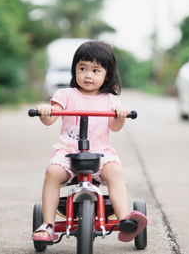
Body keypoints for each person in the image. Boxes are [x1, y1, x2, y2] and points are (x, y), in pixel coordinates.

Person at [32, 40, 147, 243]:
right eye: (82, 68)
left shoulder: (110, 99)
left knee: (115, 171)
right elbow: (50, 120)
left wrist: (120, 114)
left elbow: (115, 126)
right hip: (69, 153)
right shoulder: (65, 95)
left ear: (107, 75)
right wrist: (45, 111)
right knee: (52, 172)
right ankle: (48, 224)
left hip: (99, 153)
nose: (87, 75)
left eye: (95, 70)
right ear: (74, 70)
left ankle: (124, 221)